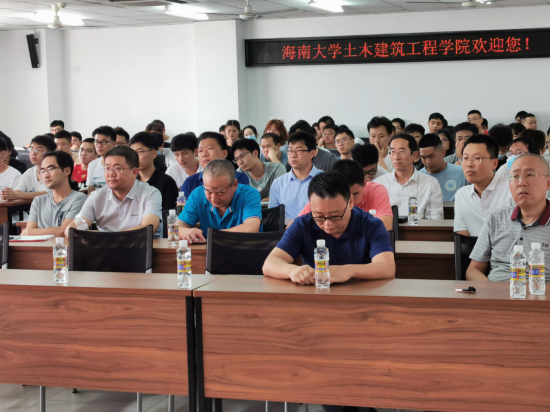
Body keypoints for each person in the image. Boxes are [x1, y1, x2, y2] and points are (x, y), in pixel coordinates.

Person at [263, 170, 395, 285]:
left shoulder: (371, 224)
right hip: (316, 295)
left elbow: (387, 267)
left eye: (335, 216)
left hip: (360, 295)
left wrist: (349, 270)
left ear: (350, 202)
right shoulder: (302, 224)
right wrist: (292, 270)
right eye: (319, 216)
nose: (327, 224)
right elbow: (270, 263)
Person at [467, 154, 550, 282]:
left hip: (539, 291)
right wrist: (491, 291)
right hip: (495, 290)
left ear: (548, 183)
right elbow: (473, 270)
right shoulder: (495, 218)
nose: (521, 182)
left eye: (530, 175)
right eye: (515, 176)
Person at [65, 146, 162, 235]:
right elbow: (71, 229)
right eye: (107, 168)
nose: (111, 174)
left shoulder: (150, 193)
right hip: (103, 247)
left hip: (140, 247)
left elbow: (147, 229)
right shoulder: (96, 196)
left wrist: (105, 239)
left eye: (117, 168)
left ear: (134, 172)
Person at [177, 159, 262, 244]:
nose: (214, 199)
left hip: (244, 249)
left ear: (235, 185)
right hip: (209, 250)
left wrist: (214, 235)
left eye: (220, 192)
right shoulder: (198, 194)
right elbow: (178, 226)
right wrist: (185, 232)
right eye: (208, 191)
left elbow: (251, 229)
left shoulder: (249, 194)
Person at [296, 159, 393, 230]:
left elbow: (386, 227)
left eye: (354, 194)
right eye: (343, 195)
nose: (349, 201)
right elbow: (295, 227)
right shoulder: (324, 194)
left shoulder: (376, 191)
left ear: (364, 184)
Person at [454, 134, 514, 237]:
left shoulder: (511, 190)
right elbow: (462, 233)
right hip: (472, 247)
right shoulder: (462, 194)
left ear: (494, 163)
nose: (469, 164)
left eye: (476, 158)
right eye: (465, 158)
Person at [375, 133, 444, 219]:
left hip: (419, 228)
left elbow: (435, 220)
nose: (396, 157)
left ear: (414, 155)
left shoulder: (430, 183)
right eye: (392, 152)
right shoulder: (379, 183)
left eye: (401, 151)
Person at [24, 151, 87, 237]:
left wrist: (30, 232)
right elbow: (27, 233)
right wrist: (29, 232)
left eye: (51, 169)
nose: (46, 175)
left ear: (67, 171)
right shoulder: (38, 200)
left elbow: (64, 231)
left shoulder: (80, 199)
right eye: (43, 171)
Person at [268, 131, 323, 219]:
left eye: (299, 151)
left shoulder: (325, 180)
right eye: (290, 150)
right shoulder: (278, 183)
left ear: (312, 153)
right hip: (287, 227)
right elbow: (273, 217)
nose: (293, 155)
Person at [181, 132, 249, 197]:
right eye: (200, 151)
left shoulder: (238, 178)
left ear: (224, 154)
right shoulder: (189, 182)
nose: (204, 154)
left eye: (209, 148)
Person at [130, 132, 179, 212]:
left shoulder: (167, 182)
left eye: (139, 152)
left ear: (153, 154)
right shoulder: (130, 181)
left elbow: (169, 214)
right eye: (132, 153)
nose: (134, 157)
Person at [1, 135, 56, 201]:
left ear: (50, 152)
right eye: (32, 149)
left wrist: (16, 195)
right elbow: (18, 190)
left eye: (39, 150)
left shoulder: (55, 172)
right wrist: (8, 194)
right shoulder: (29, 172)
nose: (33, 153)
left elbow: (46, 194)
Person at [419, 134, 468, 202]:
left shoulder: (462, 173)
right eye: (423, 157)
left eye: (431, 156)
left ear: (442, 152)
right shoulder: (417, 178)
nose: (428, 162)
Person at [86, 126, 117, 194]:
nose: (99, 145)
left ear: (114, 144)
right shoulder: (92, 165)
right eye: (97, 142)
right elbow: (90, 190)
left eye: (104, 142)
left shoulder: (120, 165)